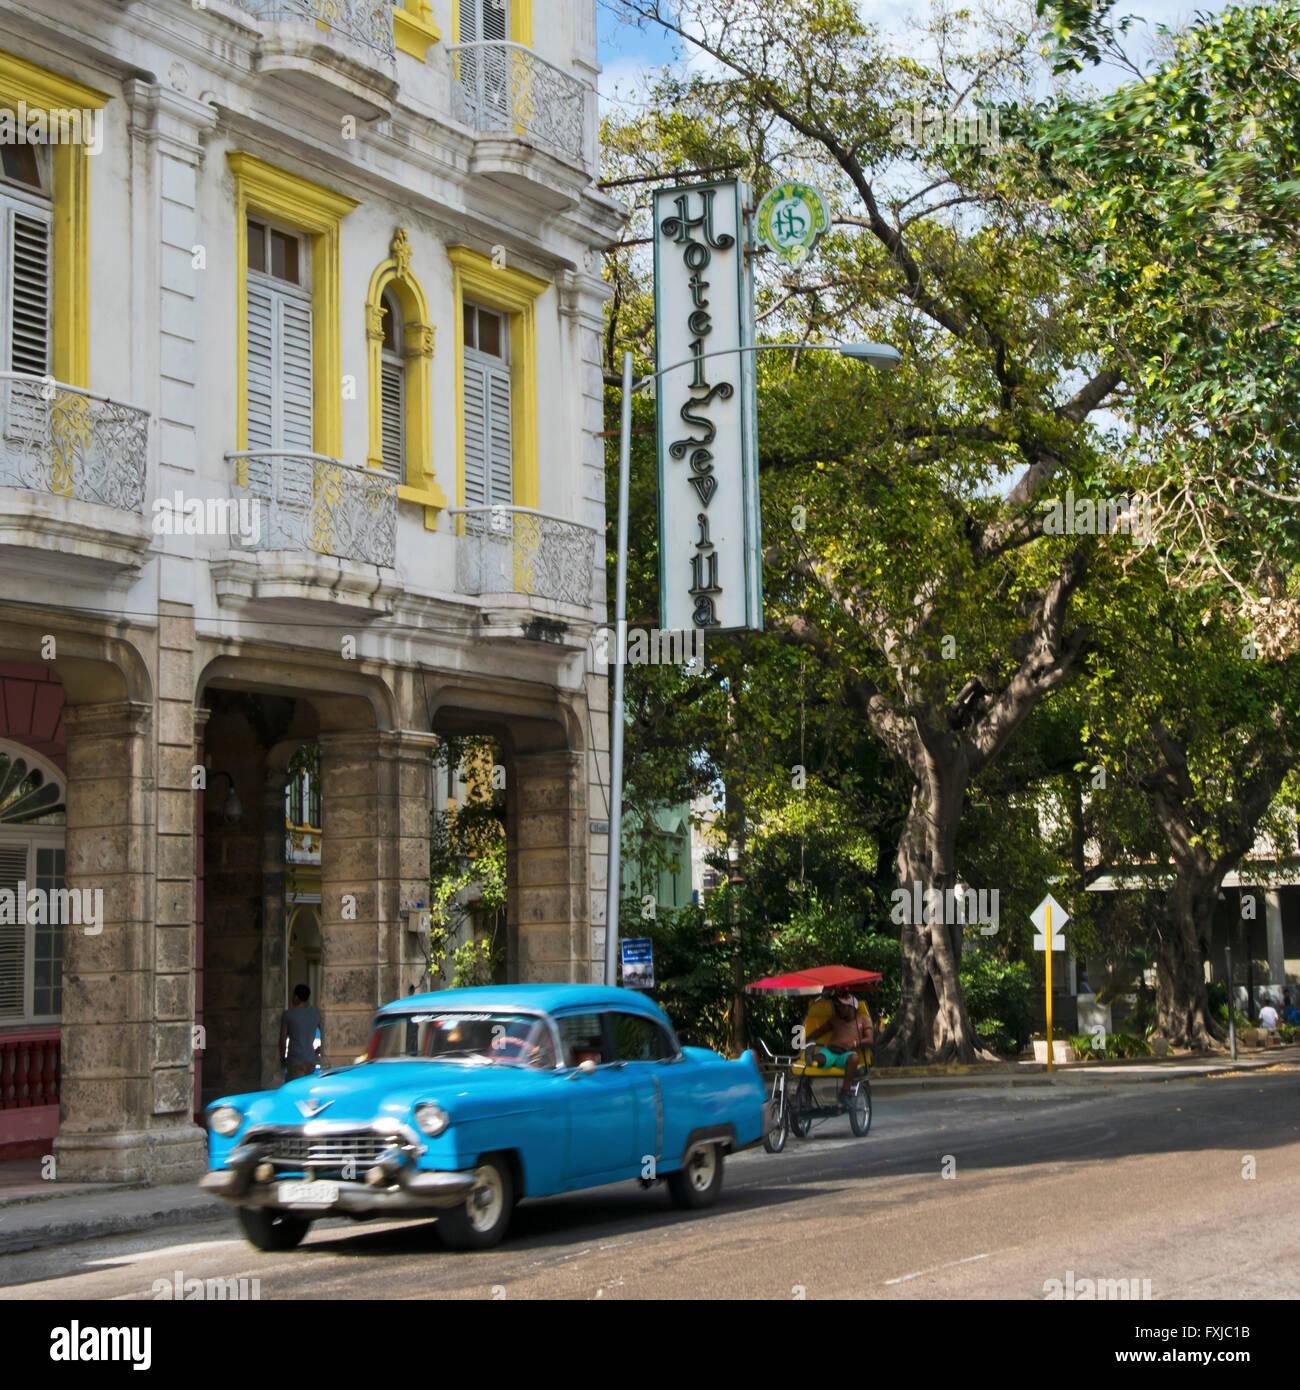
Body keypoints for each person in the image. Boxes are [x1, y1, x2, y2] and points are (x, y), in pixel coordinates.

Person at [806, 988, 873, 1105]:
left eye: (842, 1006)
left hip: (846, 1055)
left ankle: (845, 1091)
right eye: (839, 1006)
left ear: (851, 1007)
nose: (839, 1009)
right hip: (830, 1052)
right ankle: (805, 1080)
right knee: (818, 1058)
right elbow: (819, 1031)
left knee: (854, 1058)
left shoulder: (863, 1019)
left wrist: (855, 1043)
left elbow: (869, 1039)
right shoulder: (836, 1019)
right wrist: (804, 1041)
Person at [280, 984, 323, 1082]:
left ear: (296, 997)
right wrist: (319, 1049)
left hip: (294, 1060)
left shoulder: (288, 1014)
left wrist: (282, 1059)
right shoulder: (315, 1012)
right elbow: (325, 1033)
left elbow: (282, 1040)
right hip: (310, 1059)